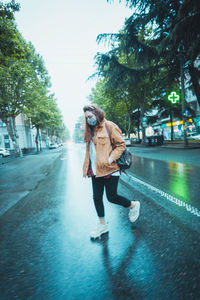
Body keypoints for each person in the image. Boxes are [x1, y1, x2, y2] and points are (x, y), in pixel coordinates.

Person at [82, 104, 140, 239]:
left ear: (97, 113)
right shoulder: (90, 130)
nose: (88, 119)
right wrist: (87, 167)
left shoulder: (109, 126)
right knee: (96, 197)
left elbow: (121, 145)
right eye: (86, 118)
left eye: (90, 116)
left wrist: (110, 159)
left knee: (111, 197)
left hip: (110, 169)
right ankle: (102, 225)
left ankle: (133, 205)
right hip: (95, 170)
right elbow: (90, 151)